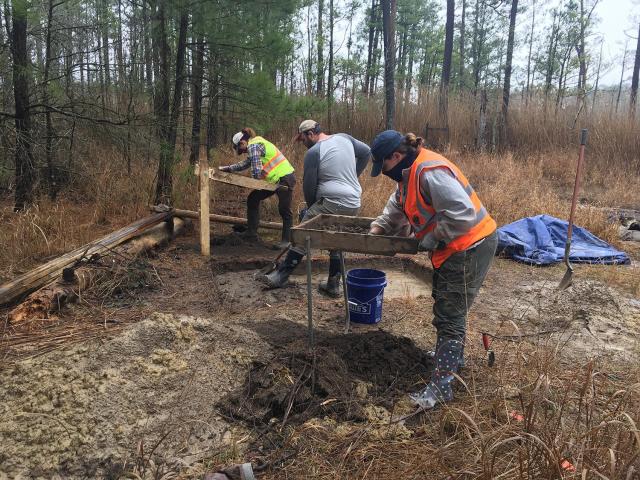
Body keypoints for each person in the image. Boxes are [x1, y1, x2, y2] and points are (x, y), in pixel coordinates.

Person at [368, 130, 498, 410]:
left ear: (396, 156)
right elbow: (397, 205)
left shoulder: (429, 171)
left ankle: (441, 388)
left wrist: (433, 237)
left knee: (450, 314)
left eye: (385, 165)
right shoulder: (408, 174)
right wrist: (379, 226)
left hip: (470, 245)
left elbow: (462, 214)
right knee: (446, 304)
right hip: (454, 248)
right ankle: (452, 360)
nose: (385, 172)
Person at [263, 120, 371, 296]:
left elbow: (309, 186)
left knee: (303, 234)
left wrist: (311, 208)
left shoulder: (314, 152)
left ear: (311, 134)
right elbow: (366, 152)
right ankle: (333, 284)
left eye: (303, 139)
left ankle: (281, 276)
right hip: (353, 202)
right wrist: (353, 177)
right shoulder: (345, 138)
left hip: (331, 201)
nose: (303, 143)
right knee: (336, 240)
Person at [219, 128, 296, 247]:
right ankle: (251, 233)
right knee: (253, 198)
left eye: (241, 150)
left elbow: (256, 171)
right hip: (275, 180)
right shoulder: (255, 145)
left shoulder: (253, 146)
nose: (243, 152)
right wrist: (228, 168)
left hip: (285, 178)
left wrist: (256, 179)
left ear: (242, 142)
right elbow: (245, 164)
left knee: (284, 209)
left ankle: (287, 241)